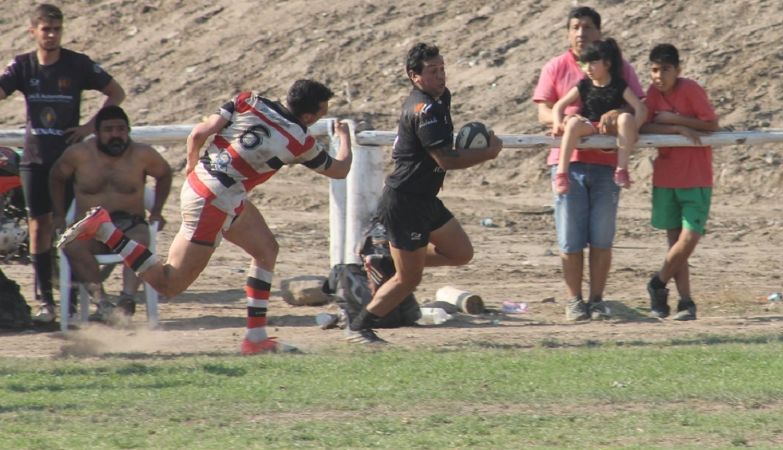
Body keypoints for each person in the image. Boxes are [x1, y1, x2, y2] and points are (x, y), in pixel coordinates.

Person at [58, 80, 352, 354]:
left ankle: (256, 338)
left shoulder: (249, 100)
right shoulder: (299, 140)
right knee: (169, 283)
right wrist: (345, 138)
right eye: (321, 112)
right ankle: (107, 231)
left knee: (266, 250)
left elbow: (198, 134)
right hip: (215, 202)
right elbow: (340, 170)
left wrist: (191, 166)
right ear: (310, 116)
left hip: (206, 185)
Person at [345, 42, 503, 344]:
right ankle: (359, 327)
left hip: (425, 199)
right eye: (432, 71)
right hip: (404, 202)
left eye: (442, 69)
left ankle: (388, 258)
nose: (440, 76)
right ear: (414, 76)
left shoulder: (440, 99)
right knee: (408, 279)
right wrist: (488, 153)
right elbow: (446, 160)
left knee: (461, 253)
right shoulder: (424, 109)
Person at [0, 4, 126, 323]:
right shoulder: (23, 65)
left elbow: (116, 93)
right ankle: (46, 302)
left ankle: (74, 301)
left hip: (70, 160)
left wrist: (90, 128)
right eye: (46, 29)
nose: (52, 35)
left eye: (57, 29)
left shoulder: (77, 63)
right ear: (33, 31)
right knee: (38, 226)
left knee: (71, 227)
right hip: (34, 158)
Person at [532, 6, 644, 321]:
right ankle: (574, 300)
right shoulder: (556, 67)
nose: (581, 33)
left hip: (607, 164)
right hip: (568, 163)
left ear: (599, 31)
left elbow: (638, 106)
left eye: (587, 27)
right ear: (568, 32)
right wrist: (564, 121)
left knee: (602, 237)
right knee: (570, 239)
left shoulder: (619, 68)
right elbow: (544, 110)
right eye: (575, 27)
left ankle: (596, 300)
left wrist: (619, 114)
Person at [50, 105, 172, 321]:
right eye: (108, 130)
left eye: (121, 129)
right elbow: (56, 177)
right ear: (97, 132)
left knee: (140, 240)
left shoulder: (143, 154)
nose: (116, 134)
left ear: (128, 131)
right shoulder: (78, 154)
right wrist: (59, 214)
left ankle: (127, 301)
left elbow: (164, 174)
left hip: (130, 224)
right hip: (90, 226)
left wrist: (157, 211)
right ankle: (103, 304)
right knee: (71, 245)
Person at [640, 44, 719, 320]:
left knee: (689, 238)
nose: (658, 76)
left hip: (696, 176)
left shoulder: (690, 89)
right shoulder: (652, 94)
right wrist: (676, 128)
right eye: (654, 70)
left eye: (664, 69)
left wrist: (677, 118)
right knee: (674, 242)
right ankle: (685, 302)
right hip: (666, 177)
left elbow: (711, 124)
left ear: (677, 70)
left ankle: (657, 282)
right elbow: (643, 125)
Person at [551, 38, 647, 194]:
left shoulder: (618, 85)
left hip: (610, 127)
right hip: (590, 125)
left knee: (625, 118)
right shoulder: (584, 85)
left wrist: (634, 129)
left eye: (593, 63)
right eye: (585, 64)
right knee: (573, 123)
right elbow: (558, 106)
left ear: (607, 64)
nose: (588, 68)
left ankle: (622, 170)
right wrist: (557, 123)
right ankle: (562, 173)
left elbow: (640, 108)